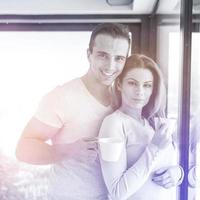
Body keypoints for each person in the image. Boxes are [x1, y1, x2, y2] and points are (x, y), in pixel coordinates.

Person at [15, 23, 130, 200]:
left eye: (119, 58)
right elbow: (23, 149)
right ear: (88, 55)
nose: (110, 66)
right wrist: (67, 151)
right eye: (102, 55)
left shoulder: (123, 98)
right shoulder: (62, 97)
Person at [98, 54, 184, 200]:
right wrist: (154, 147)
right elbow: (117, 192)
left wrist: (178, 173)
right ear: (119, 84)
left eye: (147, 85)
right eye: (132, 83)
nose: (140, 91)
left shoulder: (152, 123)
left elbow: (163, 166)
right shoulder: (113, 124)